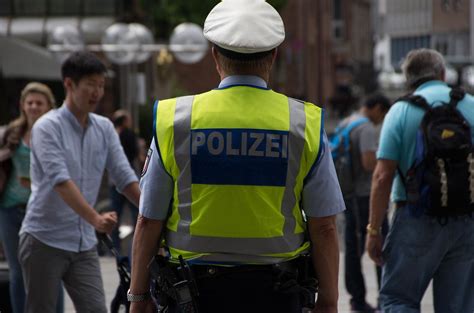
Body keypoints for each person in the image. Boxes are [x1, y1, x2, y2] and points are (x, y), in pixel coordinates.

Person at [129, 1, 345, 312]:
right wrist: (328, 300)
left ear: (215, 55)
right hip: (276, 293)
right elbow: (324, 225)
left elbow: (148, 219)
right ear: (272, 56)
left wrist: (138, 297)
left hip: (193, 294)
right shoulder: (304, 122)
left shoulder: (174, 118)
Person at [18, 51, 141, 313]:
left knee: (96, 309)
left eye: (101, 85)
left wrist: (153, 211)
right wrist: (95, 219)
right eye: (90, 84)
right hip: (43, 239)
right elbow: (60, 181)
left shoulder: (105, 128)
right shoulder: (47, 127)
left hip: (83, 244)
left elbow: (124, 176)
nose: (97, 92)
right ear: (69, 84)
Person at [366, 48, 474, 312]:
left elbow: (382, 176)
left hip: (414, 216)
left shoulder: (400, 111)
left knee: (398, 298)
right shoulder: (470, 105)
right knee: (459, 305)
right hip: (466, 219)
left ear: (408, 80)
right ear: (441, 73)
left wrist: (373, 230)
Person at [0, 82, 63, 313]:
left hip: (43, 210)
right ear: (22, 105)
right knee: (17, 271)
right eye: (30, 102)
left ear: (49, 106)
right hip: (9, 209)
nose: (34, 107)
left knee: (49, 271)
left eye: (39, 103)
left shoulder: (57, 133)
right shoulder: (11, 132)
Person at [337, 94, 391, 313]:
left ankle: (357, 299)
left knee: (353, 249)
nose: (382, 119)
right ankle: (377, 300)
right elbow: (369, 163)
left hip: (348, 194)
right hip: (364, 197)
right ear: (377, 108)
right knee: (379, 247)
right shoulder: (366, 127)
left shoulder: (346, 122)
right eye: (383, 113)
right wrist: (387, 155)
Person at [109, 109, 140, 254]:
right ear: (126, 121)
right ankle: (137, 245)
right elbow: (135, 154)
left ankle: (115, 247)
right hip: (129, 179)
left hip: (114, 181)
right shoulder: (130, 134)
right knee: (137, 213)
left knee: (115, 214)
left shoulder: (112, 134)